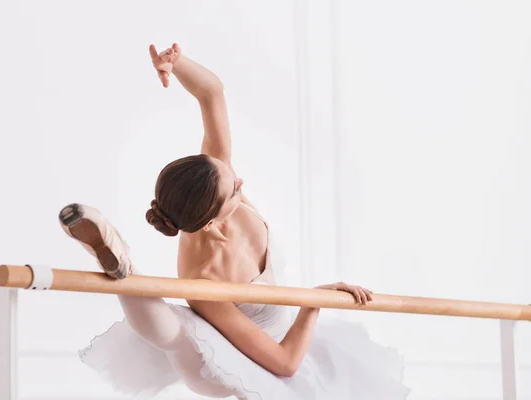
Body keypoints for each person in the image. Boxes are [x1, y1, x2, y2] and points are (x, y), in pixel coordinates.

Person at [58, 43, 410, 399]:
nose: (240, 182)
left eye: (229, 173)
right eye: (234, 190)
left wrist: (176, 64)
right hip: (231, 362)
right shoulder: (202, 276)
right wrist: (313, 300)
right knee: (176, 330)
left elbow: (211, 93)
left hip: (282, 340)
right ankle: (124, 268)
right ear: (211, 223)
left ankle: (126, 269)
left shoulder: (215, 179)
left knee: (178, 328)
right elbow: (284, 363)